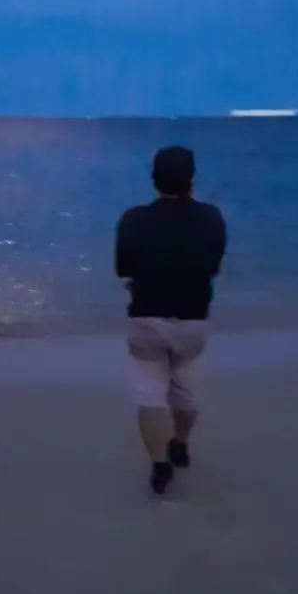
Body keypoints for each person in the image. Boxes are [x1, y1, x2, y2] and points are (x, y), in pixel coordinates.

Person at [115, 145, 227, 496]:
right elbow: (212, 268)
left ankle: (160, 465)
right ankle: (180, 442)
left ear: (154, 179)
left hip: (147, 319)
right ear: (191, 180)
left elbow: (123, 269)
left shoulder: (133, 218)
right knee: (186, 393)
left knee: (150, 395)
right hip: (193, 322)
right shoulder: (212, 217)